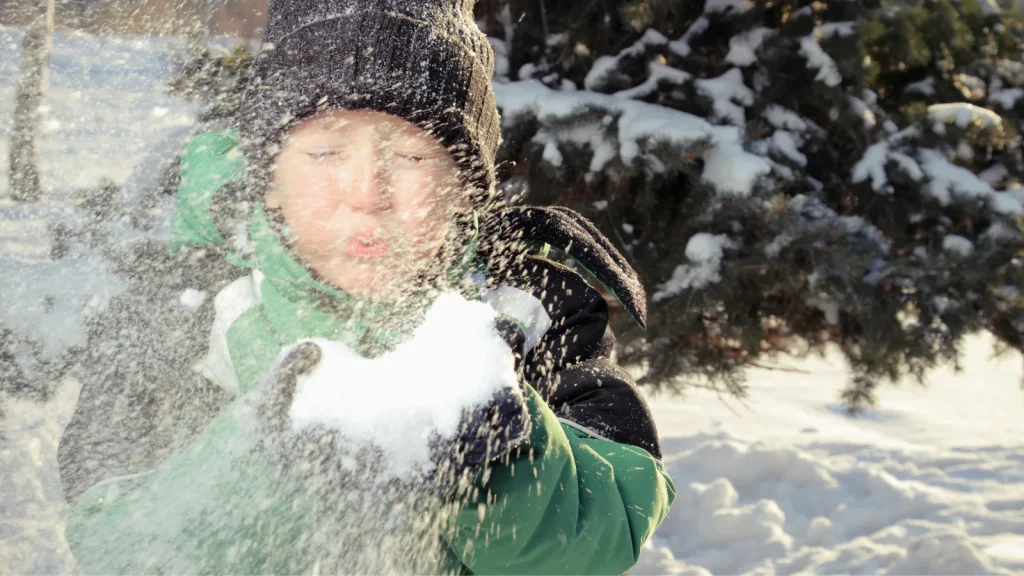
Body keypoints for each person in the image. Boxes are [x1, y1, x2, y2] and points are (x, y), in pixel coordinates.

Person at [57, 0, 675, 573]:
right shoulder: (187, 306)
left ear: (465, 190)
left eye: (411, 157)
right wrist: (254, 460)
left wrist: (506, 459)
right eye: (326, 153)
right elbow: (113, 543)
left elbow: (610, 527)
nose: (367, 193)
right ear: (267, 176)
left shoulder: (529, 303)